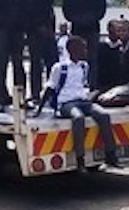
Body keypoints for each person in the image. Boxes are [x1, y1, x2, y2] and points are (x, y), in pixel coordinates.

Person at [37, 36, 120, 171]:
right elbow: (50, 88)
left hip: (82, 100)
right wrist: (39, 110)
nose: (85, 51)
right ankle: (80, 158)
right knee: (78, 118)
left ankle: (111, 154)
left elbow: (83, 85)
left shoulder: (84, 66)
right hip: (67, 103)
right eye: (82, 48)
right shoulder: (60, 67)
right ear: (72, 50)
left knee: (103, 115)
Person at [61, 0, 107, 70]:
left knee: (92, 59)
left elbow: (101, 9)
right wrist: (77, 19)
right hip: (77, 29)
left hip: (92, 29)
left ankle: (92, 85)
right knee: (76, 58)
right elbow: (66, 9)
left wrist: (90, 18)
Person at [25, 0, 58, 102]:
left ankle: (51, 92)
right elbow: (32, 5)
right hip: (37, 29)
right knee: (36, 63)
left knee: (52, 61)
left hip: (48, 28)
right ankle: (35, 94)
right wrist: (39, 25)